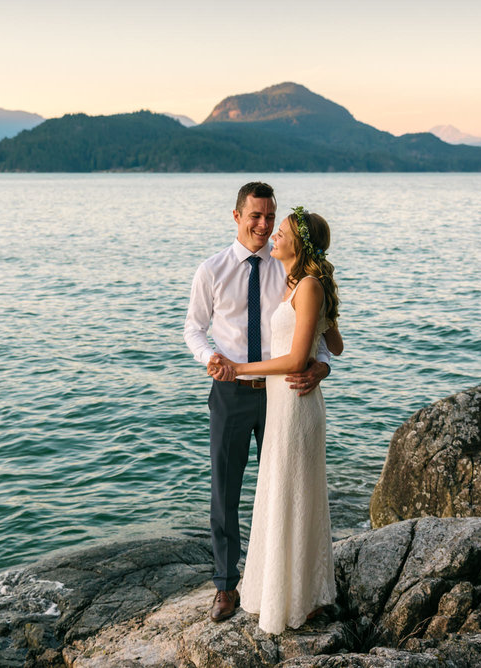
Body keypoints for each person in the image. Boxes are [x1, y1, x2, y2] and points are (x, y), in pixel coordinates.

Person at [184, 182, 332, 623]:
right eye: (256, 216)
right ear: (236, 216)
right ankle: (226, 586)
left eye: (271, 217)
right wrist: (210, 357)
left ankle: (287, 583)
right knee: (225, 493)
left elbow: (316, 329)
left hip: (281, 396)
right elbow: (193, 327)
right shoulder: (211, 270)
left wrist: (320, 366)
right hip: (229, 393)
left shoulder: (288, 268)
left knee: (285, 487)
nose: (265, 226)